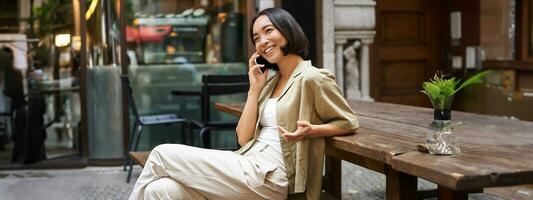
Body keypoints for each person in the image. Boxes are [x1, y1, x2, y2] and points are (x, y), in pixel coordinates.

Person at [129, 8, 358, 200]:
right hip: (246, 163)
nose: (262, 41)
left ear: (288, 31)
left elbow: (348, 122)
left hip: (271, 176)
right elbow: (243, 138)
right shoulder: (269, 83)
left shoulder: (311, 77)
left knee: (160, 153)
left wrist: (312, 131)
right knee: (159, 191)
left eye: (268, 31)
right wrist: (254, 89)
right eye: (256, 38)